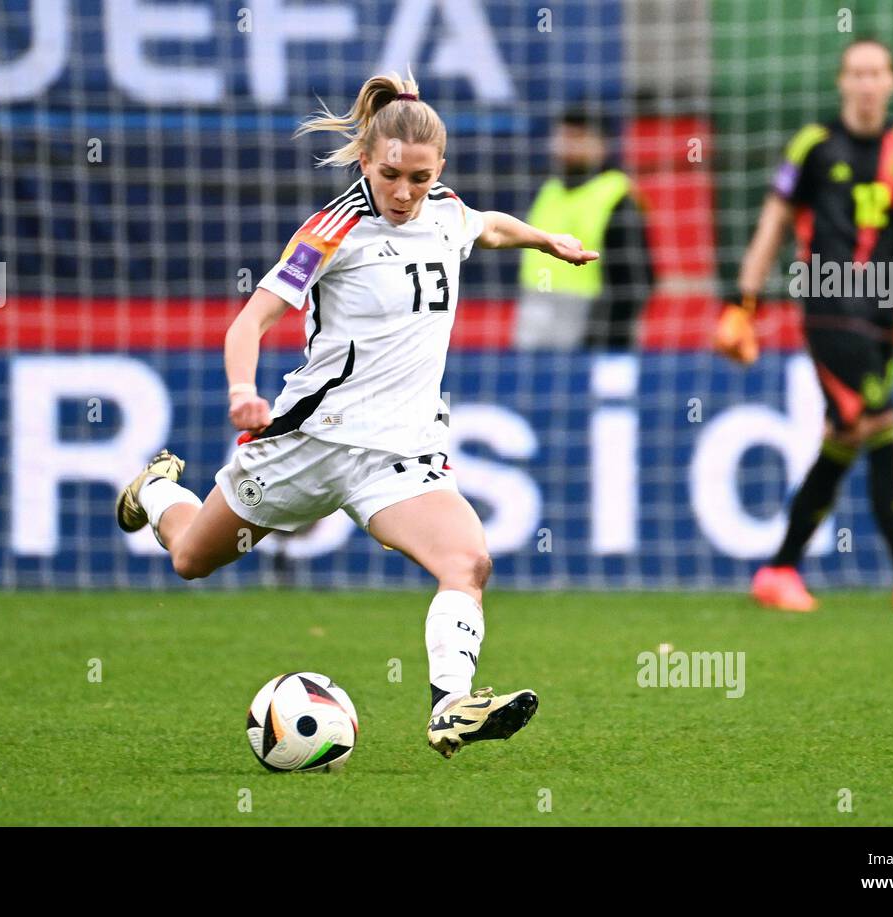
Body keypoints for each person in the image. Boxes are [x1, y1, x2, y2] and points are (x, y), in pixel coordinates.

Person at [115, 72, 598, 758]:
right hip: (310, 442)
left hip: (399, 452)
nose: (404, 193)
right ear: (367, 161)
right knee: (191, 557)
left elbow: (487, 227)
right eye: (392, 175)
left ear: (440, 171)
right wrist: (239, 391)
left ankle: (450, 704)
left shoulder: (447, 211)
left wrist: (545, 239)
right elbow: (249, 323)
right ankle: (157, 488)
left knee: (468, 560)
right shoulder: (330, 231)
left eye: (420, 179)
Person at [715, 37, 893, 613]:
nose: (865, 83)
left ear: (892, 82)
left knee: (845, 437)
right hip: (828, 304)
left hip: (883, 313)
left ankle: (779, 571)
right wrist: (743, 301)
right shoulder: (813, 145)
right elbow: (773, 224)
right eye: (855, 73)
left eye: (876, 72)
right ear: (841, 82)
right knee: (881, 420)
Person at [515, 107, 654, 350]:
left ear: (600, 145)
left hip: (588, 324)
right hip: (535, 317)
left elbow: (635, 280)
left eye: (576, 138)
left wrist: (606, 339)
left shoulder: (618, 196)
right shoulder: (549, 191)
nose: (565, 145)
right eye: (562, 136)